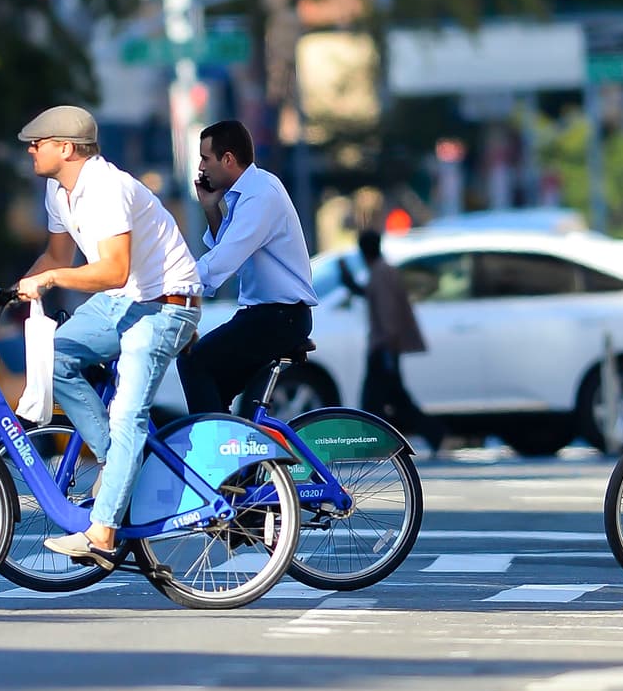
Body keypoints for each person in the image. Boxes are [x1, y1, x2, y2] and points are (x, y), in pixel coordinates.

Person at [14, 105, 202, 569]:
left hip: (166, 305)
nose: (31, 150)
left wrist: (54, 279)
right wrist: (13, 289)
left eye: (38, 143)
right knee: (54, 359)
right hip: (127, 301)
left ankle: (102, 533)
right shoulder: (59, 192)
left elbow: (114, 271)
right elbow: (56, 253)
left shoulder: (107, 188)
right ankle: (116, 465)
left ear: (66, 148)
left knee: (127, 416)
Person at [177, 120, 318, 414]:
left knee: (193, 362)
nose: (201, 168)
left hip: (279, 317)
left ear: (227, 159)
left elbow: (222, 262)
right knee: (213, 388)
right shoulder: (247, 193)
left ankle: (212, 455)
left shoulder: (260, 195)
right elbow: (227, 250)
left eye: (205, 158)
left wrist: (170, 284)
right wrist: (211, 208)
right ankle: (230, 453)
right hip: (267, 315)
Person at [338, 229, 446, 454]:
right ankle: (431, 433)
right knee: (392, 399)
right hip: (385, 347)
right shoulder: (381, 271)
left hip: (384, 348)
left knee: (376, 401)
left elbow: (387, 313)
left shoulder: (381, 273)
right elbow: (369, 295)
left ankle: (428, 433)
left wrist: (386, 344)